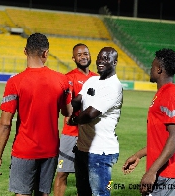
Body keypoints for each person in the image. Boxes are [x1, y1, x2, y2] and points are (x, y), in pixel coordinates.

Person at [0, 33, 72, 196]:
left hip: (24, 150)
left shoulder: (15, 82)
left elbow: (5, 123)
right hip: (50, 150)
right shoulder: (62, 81)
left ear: (24, 51)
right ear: (46, 53)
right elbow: (68, 112)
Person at [122, 48, 175, 196]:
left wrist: (152, 171)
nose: (150, 69)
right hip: (160, 169)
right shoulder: (162, 93)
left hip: (166, 172)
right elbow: (161, 138)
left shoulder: (170, 94)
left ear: (159, 69)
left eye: (152, 66)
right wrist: (138, 155)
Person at [67, 47, 123, 196]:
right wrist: (62, 104)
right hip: (83, 149)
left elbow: (90, 114)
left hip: (101, 153)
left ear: (115, 62)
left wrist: (74, 120)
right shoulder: (92, 80)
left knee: (100, 193)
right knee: (83, 192)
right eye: (99, 57)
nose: (100, 61)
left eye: (106, 58)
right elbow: (77, 101)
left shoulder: (113, 86)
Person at [53, 43, 98, 196]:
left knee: (89, 175)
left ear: (90, 55)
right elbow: (69, 107)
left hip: (91, 134)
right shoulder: (69, 78)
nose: (83, 56)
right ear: (73, 58)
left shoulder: (98, 79)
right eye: (79, 55)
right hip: (71, 134)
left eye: (85, 53)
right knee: (62, 172)